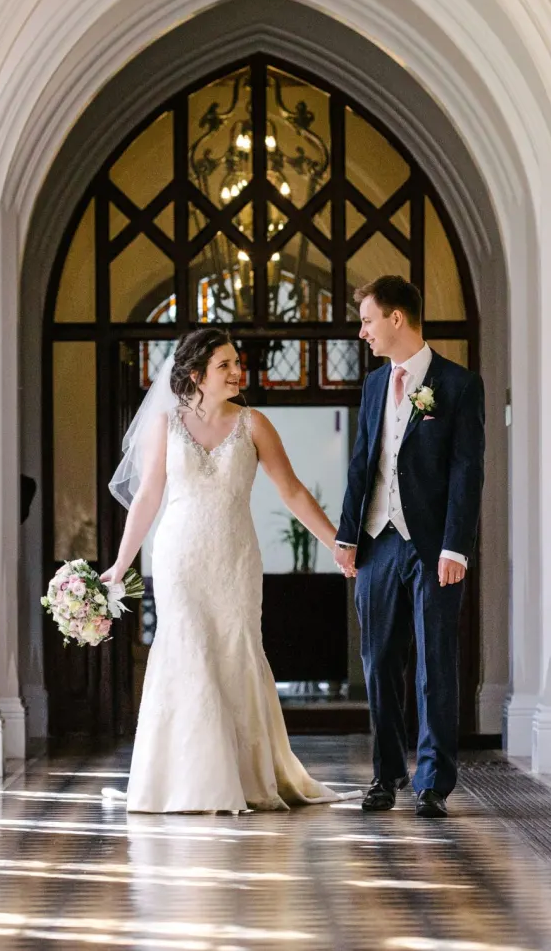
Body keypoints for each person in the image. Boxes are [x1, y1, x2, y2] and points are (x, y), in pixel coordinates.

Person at [100, 327, 346, 813]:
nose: (237, 372)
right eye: (225, 365)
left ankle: (245, 777)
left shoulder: (254, 424)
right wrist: (120, 563)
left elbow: (292, 491)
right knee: (186, 651)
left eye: (237, 363)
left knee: (235, 651)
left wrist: (337, 544)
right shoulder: (165, 425)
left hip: (234, 557)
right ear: (197, 375)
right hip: (179, 559)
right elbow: (148, 496)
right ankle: (188, 782)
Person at [333, 275, 485, 818]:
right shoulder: (375, 385)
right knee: (377, 663)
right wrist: (347, 536)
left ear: (397, 318)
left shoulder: (458, 385)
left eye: (368, 320)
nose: (363, 331)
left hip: (430, 547)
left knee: (435, 664)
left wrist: (455, 548)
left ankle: (433, 782)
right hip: (377, 544)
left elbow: (468, 474)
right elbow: (362, 465)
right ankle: (386, 773)